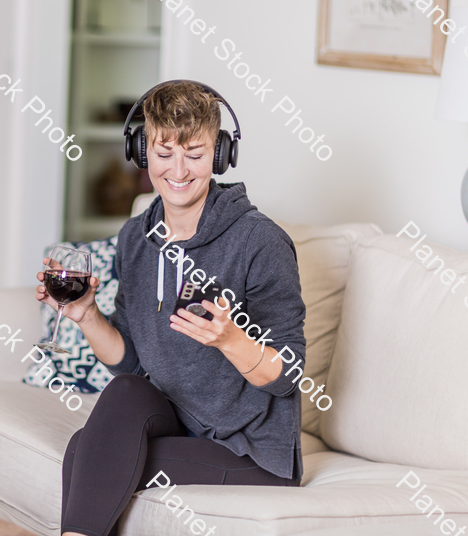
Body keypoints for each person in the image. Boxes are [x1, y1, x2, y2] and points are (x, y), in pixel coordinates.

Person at [35, 81, 307, 536]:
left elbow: (287, 377)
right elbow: (131, 362)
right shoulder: (136, 238)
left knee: (88, 452)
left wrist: (231, 340)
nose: (178, 170)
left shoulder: (260, 242)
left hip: (250, 452)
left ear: (220, 155)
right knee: (121, 398)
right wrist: (86, 314)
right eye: (164, 153)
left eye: (195, 154)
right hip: (177, 423)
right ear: (143, 150)